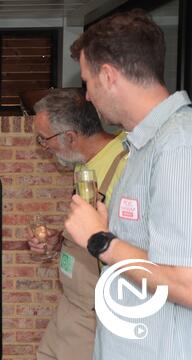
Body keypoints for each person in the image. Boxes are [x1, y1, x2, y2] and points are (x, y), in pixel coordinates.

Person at [64, 9, 192, 359]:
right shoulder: (141, 144)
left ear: (108, 76)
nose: (87, 96)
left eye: (87, 81)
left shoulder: (179, 145)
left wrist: (100, 240)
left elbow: (187, 282)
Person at [27, 88, 127, 360]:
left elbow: (129, 243)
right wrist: (60, 239)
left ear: (70, 137)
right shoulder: (83, 164)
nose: (43, 146)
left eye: (44, 139)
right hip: (70, 305)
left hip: (95, 312)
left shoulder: (125, 166)